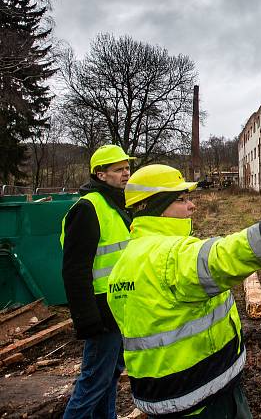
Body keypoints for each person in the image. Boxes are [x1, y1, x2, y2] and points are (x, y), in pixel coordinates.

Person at [107, 164, 261, 418]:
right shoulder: (172, 257)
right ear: (156, 207)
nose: (192, 206)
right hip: (204, 397)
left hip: (161, 396)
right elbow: (229, 255)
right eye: (181, 199)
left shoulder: (125, 263)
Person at [61, 144, 136, 418]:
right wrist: (87, 320)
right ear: (100, 174)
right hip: (101, 312)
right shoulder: (88, 208)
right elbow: (75, 270)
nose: (126, 173)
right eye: (119, 170)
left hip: (118, 307)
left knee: (109, 377)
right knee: (93, 382)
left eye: (127, 167)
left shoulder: (117, 204)